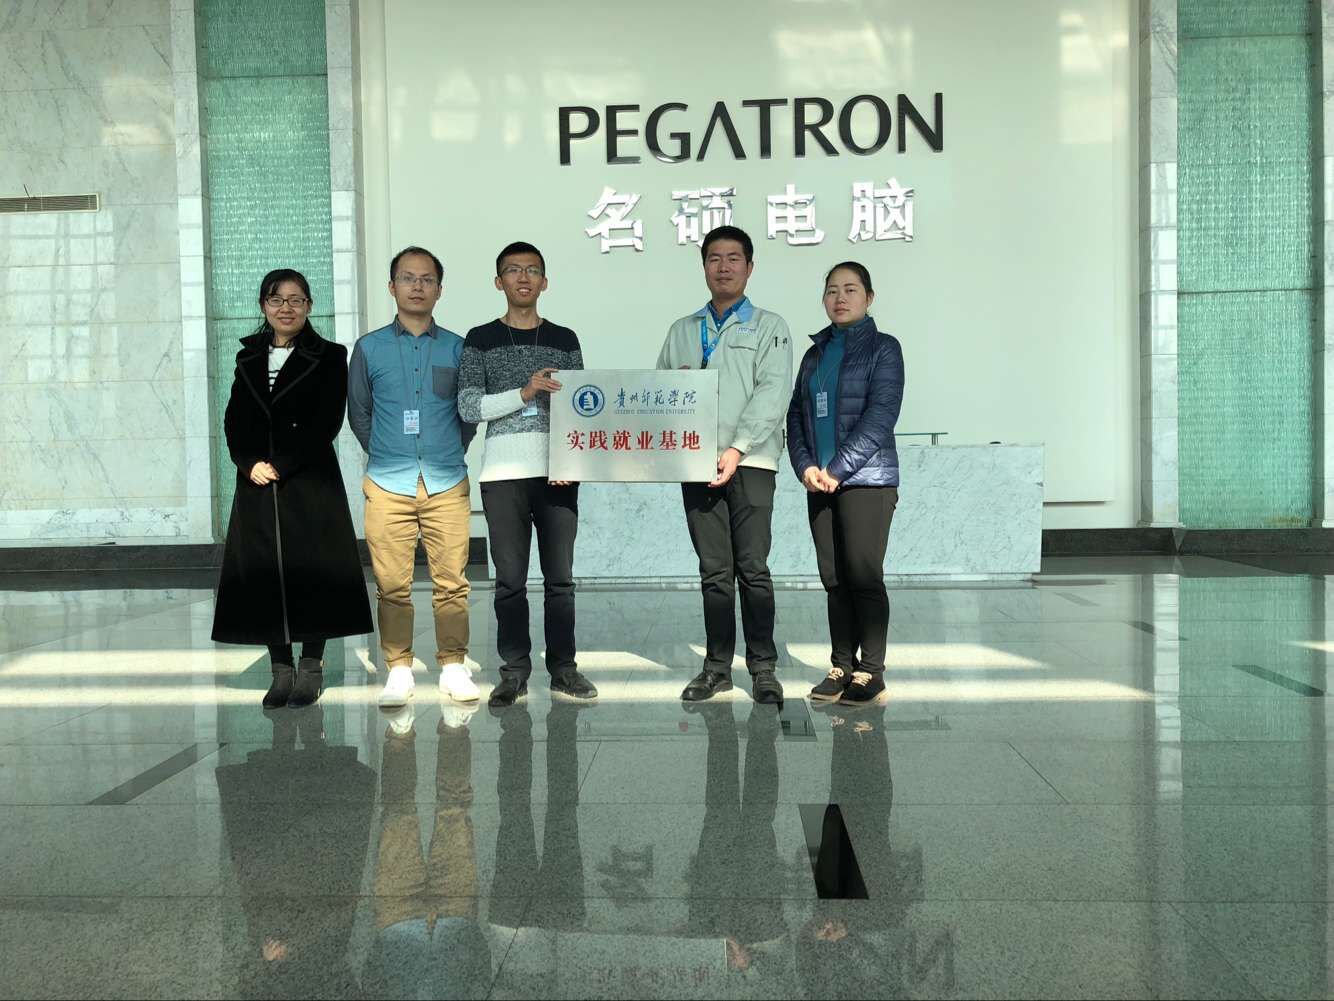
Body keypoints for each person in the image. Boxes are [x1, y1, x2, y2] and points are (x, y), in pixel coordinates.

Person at [212, 268, 372, 709]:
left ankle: (311, 668)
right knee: (266, 573)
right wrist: (248, 463)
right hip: (257, 482)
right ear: (263, 305)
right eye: (276, 299)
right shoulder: (247, 357)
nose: (286, 308)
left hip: (308, 479)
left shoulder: (330, 355)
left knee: (312, 571)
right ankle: (280, 670)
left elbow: (326, 421)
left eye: (296, 300)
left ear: (309, 306)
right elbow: (234, 419)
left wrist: (280, 464)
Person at [656, 225, 792, 706]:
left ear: (749, 268)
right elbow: (660, 394)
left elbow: (773, 393)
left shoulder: (770, 327)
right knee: (714, 571)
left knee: (753, 568)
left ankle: (763, 668)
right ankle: (717, 668)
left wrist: (737, 449)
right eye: (714, 258)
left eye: (734, 258)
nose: (724, 267)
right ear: (704, 267)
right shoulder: (682, 330)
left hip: (752, 463)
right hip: (697, 464)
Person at [457, 241, 597, 708]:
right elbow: (469, 405)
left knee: (560, 580)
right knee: (510, 581)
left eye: (532, 270)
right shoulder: (480, 338)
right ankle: (514, 671)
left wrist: (569, 462)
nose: (523, 277)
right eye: (513, 270)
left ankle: (564, 669)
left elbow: (580, 409)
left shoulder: (565, 338)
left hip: (558, 475)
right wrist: (524, 391)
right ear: (498, 282)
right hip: (503, 475)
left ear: (545, 282)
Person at [348, 246, 479, 711]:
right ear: (392, 287)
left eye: (427, 279)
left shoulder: (459, 348)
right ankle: (398, 668)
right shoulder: (369, 349)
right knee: (391, 584)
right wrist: (387, 452)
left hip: (446, 480)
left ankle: (453, 665)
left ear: (439, 290)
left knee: (453, 582)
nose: (417, 286)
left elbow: (467, 415)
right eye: (408, 278)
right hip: (388, 483)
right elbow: (359, 413)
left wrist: (446, 451)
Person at [786, 262, 904, 707]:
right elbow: (795, 415)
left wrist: (836, 469)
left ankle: (871, 671)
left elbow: (881, 416)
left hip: (866, 481)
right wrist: (805, 467)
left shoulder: (884, 349)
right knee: (834, 578)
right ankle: (842, 665)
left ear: (869, 298)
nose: (840, 298)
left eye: (850, 289)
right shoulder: (814, 355)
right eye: (832, 290)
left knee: (863, 576)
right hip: (819, 482)